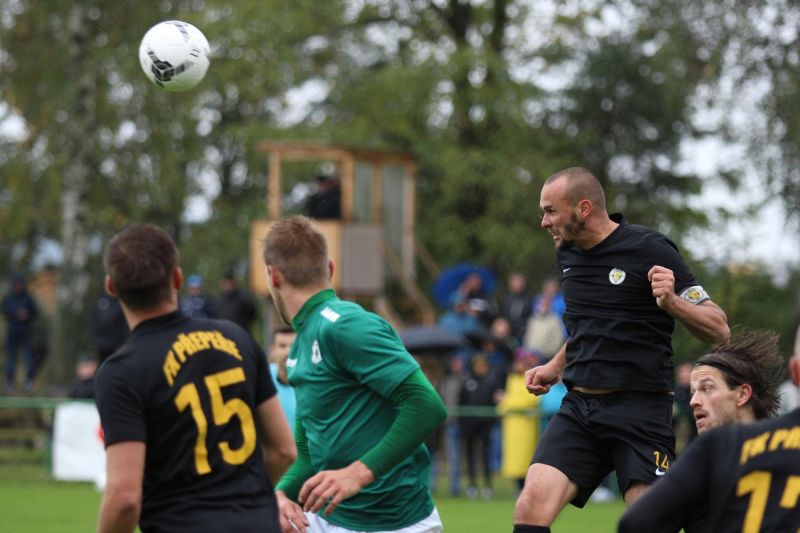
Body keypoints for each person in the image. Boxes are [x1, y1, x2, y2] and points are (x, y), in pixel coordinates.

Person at [513, 167, 730, 533]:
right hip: (580, 409)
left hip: (641, 409)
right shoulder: (567, 253)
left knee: (647, 523)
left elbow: (719, 328)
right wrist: (554, 366)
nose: (543, 222)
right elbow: (591, 328)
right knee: (530, 506)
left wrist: (673, 303)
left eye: (551, 211)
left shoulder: (651, 249)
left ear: (583, 208)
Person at [94, 224, 296, 533]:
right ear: (177, 278)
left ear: (111, 286)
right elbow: (284, 450)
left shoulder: (121, 372)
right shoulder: (236, 339)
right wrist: (246, 499)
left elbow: (124, 498)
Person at [262, 215, 447, 533]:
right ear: (330, 269)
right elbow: (308, 456)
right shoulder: (298, 349)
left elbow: (427, 405)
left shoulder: (345, 323)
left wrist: (358, 473)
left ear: (273, 276)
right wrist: (280, 493)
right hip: (330, 519)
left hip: (394, 524)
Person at [618, 329, 798, 533]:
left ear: (742, 394)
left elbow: (636, 522)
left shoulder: (706, 459)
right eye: (693, 392)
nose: (694, 401)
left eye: (707, 388)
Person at [496, 349, 541, 493]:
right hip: (512, 425)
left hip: (525, 426)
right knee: (514, 459)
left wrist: (507, 402)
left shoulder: (531, 379)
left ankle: (526, 488)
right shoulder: (512, 379)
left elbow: (531, 400)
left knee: (526, 458)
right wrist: (504, 404)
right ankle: (519, 489)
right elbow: (506, 402)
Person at [2, 274, 38, 391]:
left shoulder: (28, 298)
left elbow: (34, 313)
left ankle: (29, 380)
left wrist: (26, 315)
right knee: (11, 357)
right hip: (12, 332)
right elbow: (5, 311)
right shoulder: (9, 298)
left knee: (28, 356)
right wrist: (16, 314)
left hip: (25, 332)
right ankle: (9, 380)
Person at [268, 325, 297, 431]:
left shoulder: (315, 382)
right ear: (273, 351)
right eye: (282, 346)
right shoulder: (261, 378)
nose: (288, 352)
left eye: (293, 346)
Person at [92, 293, 129, 363]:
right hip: (102, 347)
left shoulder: (120, 301)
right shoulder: (100, 299)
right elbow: (95, 320)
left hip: (117, 346)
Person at [498, 273, 532, 343]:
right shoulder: (506, 298)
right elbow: (501, 314)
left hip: (521, 331)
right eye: (515, 282)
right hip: (506, 329)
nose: (517, 285)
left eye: (519, 282)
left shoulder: (528, 299)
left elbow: (529, 316)